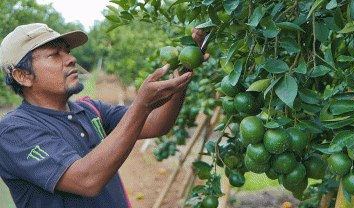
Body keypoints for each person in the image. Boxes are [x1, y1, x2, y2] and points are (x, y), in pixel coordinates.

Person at [0, 23, 210, 207]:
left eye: (68, 51)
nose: (72, 59)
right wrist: (141, 106)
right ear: (23, 75)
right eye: (56, 54)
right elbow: (86, 180)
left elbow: (156, 124)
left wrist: (184, 71)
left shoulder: (90, 110)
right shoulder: (14, 131)